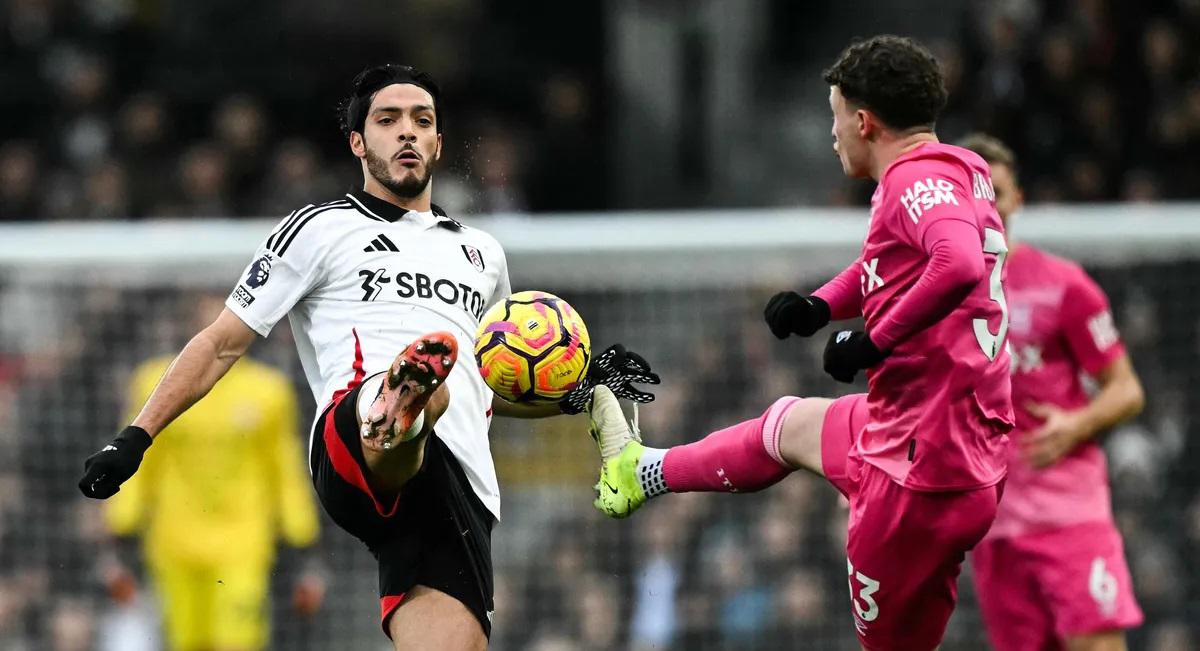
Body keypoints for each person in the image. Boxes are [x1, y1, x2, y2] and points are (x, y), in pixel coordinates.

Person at [77, 64, 659, 651]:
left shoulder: (482, 254)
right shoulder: (319, 229)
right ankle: (396, 404)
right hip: (351, 443)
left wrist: (580, 391)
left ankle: (411, 399)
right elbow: (221, 341)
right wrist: (136, 437)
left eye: (422, 121)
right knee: (421, 392)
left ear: (438, 143)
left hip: (458, 485)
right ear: (358, 143)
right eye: (388, 120)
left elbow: (498, 386)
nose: (406, 132)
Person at [586, 35, 1013, 651]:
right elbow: (889, 267)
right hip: (947, 441)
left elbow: (958, 264)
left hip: (915, 473)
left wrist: (872, 343)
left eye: (835, 114)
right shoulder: (960, 170)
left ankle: (640, 471)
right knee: (788, 425)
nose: (832, 132)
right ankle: (641, 471)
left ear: (863, 121)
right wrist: (820, 305)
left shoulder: (912, 184)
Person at [958, 134, 1145, 651]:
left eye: (996, 191)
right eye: (973, 193)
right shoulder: (939, 296)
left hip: (1067, 513)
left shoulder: (1064, 284)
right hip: (991, 524)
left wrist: (1078, 424)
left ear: (1018, 198)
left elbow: (1126, 390)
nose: (986, 205)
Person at [103, 293, 324, 651]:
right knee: (186, 641)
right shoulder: (154, 383)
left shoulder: (268, 392)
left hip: (243, 539)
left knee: (238, 640)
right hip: (173, 539)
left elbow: (282, 468)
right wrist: (121, 524)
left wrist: (302, 534)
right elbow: (143, 460)